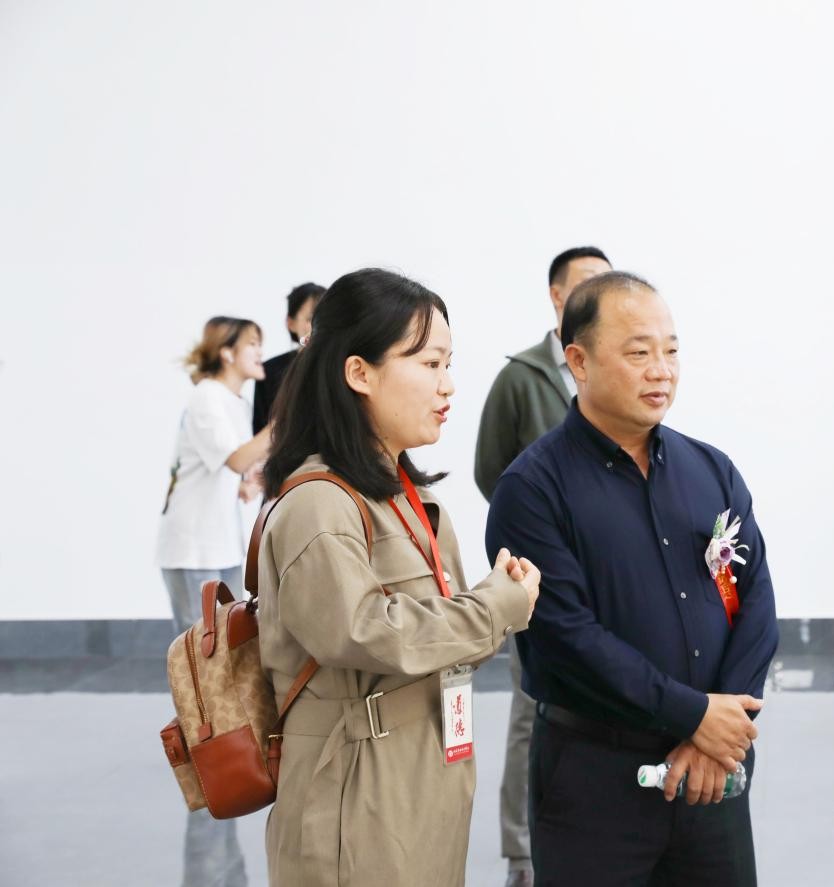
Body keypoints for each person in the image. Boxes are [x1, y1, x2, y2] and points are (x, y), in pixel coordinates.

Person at [485, 271, 778, 886]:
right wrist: (694, 715)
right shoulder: (532, 489)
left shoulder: (712, 470)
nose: (661, 371)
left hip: (711, 779)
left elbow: (755, 600)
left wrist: (717, 730)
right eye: (639, 353)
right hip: (594, 783)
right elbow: (567, 638)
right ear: (579, 361)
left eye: (671, 351)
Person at [255, 268, 541, 887]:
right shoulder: (319, 502)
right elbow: (361, 630)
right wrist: (496, 606)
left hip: (420, 781)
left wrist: (495, 600)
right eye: (430, 364)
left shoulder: (407, 497)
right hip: (356, 790)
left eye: (448, 364)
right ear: (359, 373)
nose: (448, 385)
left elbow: (440, 633)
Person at [473, 245, 611, 887]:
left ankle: (592, 833)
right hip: (536, 579)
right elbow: (491, 471)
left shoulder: (611, 370)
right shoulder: (521, 377)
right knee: (532, 709)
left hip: (604, 574)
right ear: (557, 296)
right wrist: (535, 535)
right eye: (588, 282)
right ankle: (521, 850)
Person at [156, 315, 272, 887]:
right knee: (197, 660)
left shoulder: (229, 401)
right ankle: (203, 754)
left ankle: (220, 743)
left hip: (219, 541)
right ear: (227, 352)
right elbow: (234, 458)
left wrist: (246, 483)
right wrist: (285, 420)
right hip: (192, 548)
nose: (259, 355)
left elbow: (230, 470)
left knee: (220, 653)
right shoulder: (207, 397)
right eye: (252, 345)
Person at [252, 282, 324, 433]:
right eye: (310, 319)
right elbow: (261, 429)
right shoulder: (269, 371)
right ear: (290, 323)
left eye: (325, 317)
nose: (320, 325)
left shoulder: (346, 365)